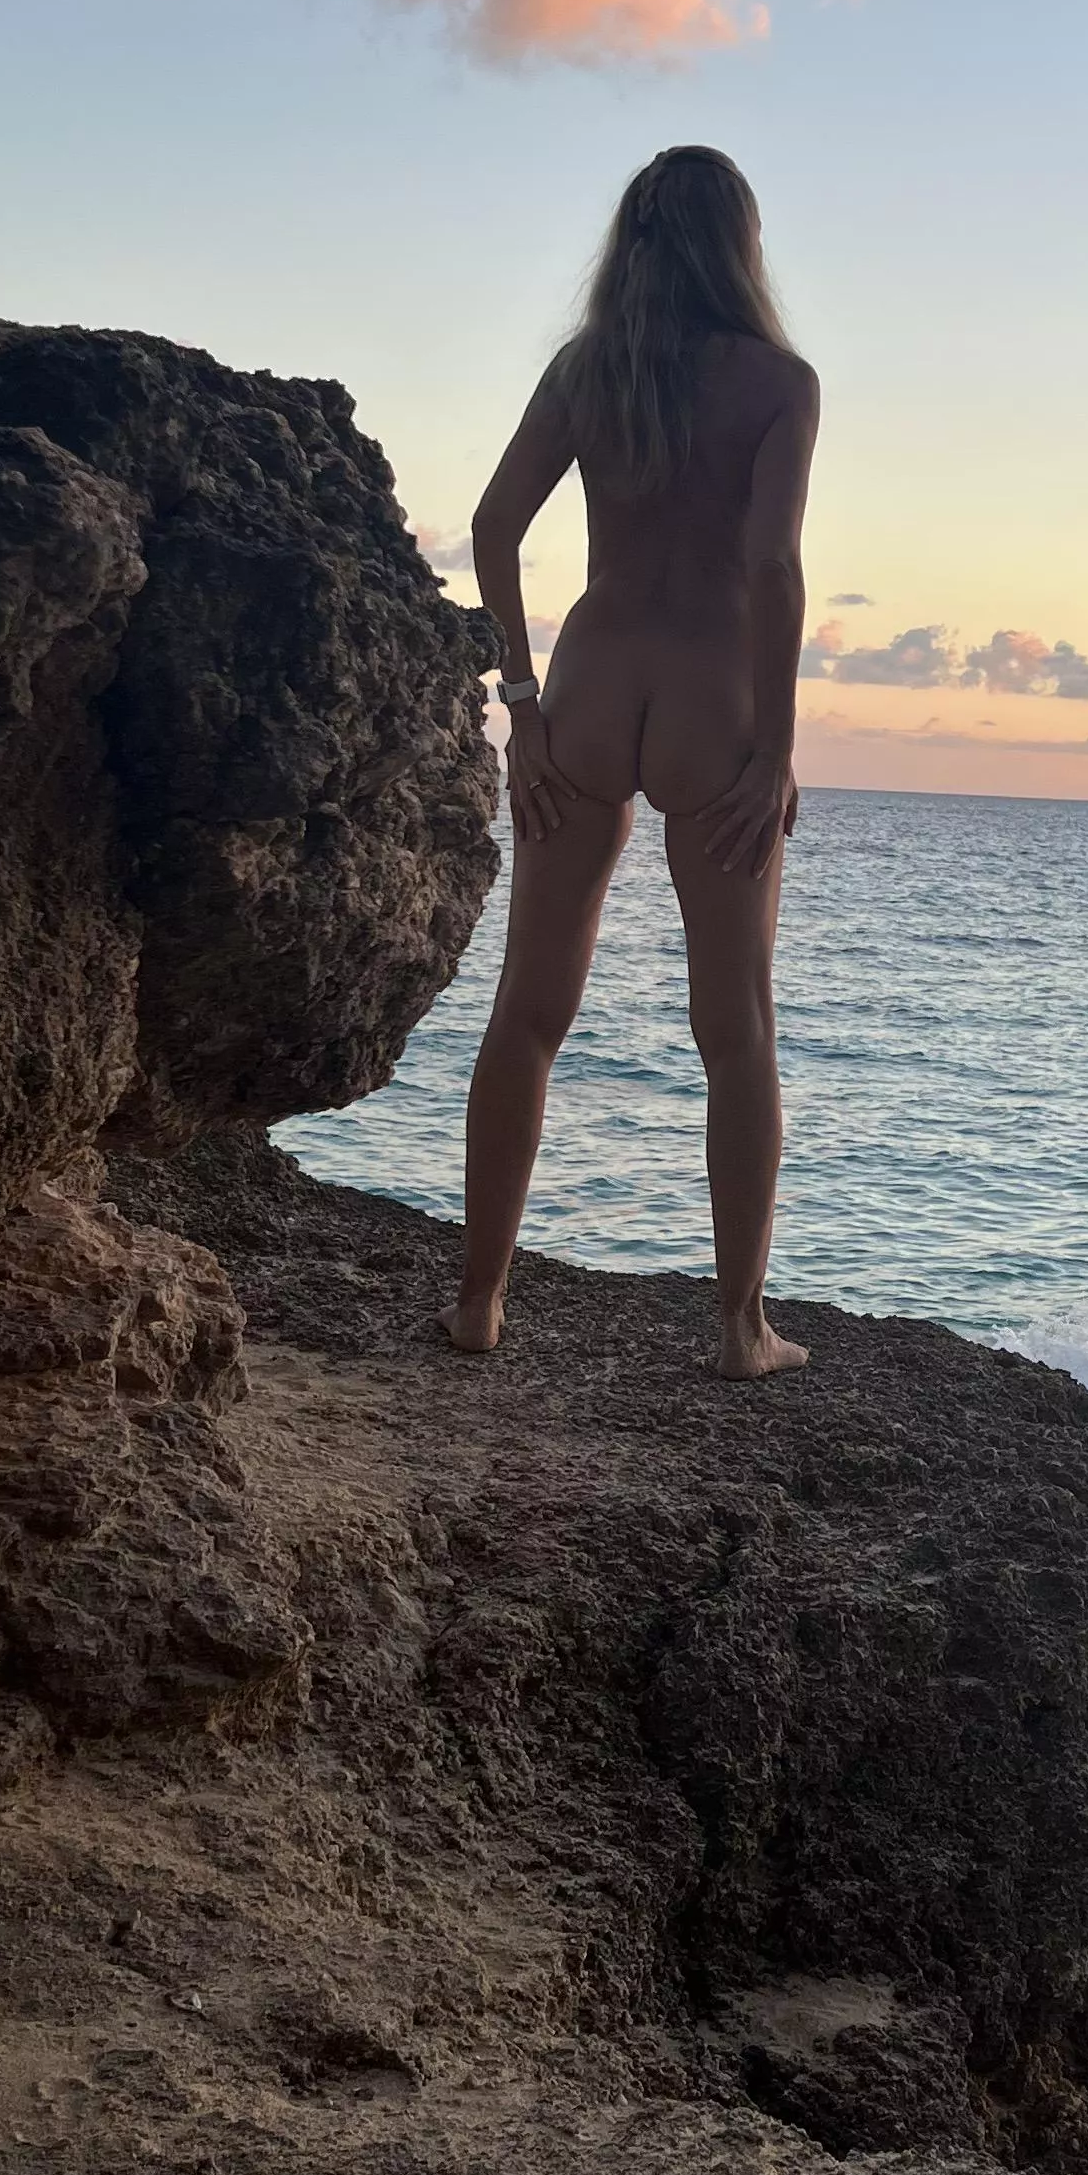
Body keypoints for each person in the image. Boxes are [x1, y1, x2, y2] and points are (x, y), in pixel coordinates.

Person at [447, 146, 820, 1378]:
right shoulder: (779, 383)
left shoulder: (587, 371)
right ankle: (740, 1329)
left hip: (592, 689)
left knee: (529, 1015)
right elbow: (769, 566)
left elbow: (496, 528)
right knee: (739, 1030)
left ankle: (480, 1305)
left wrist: (520, 696)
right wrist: (774, 747)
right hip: (715, 697)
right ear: (741, 245)